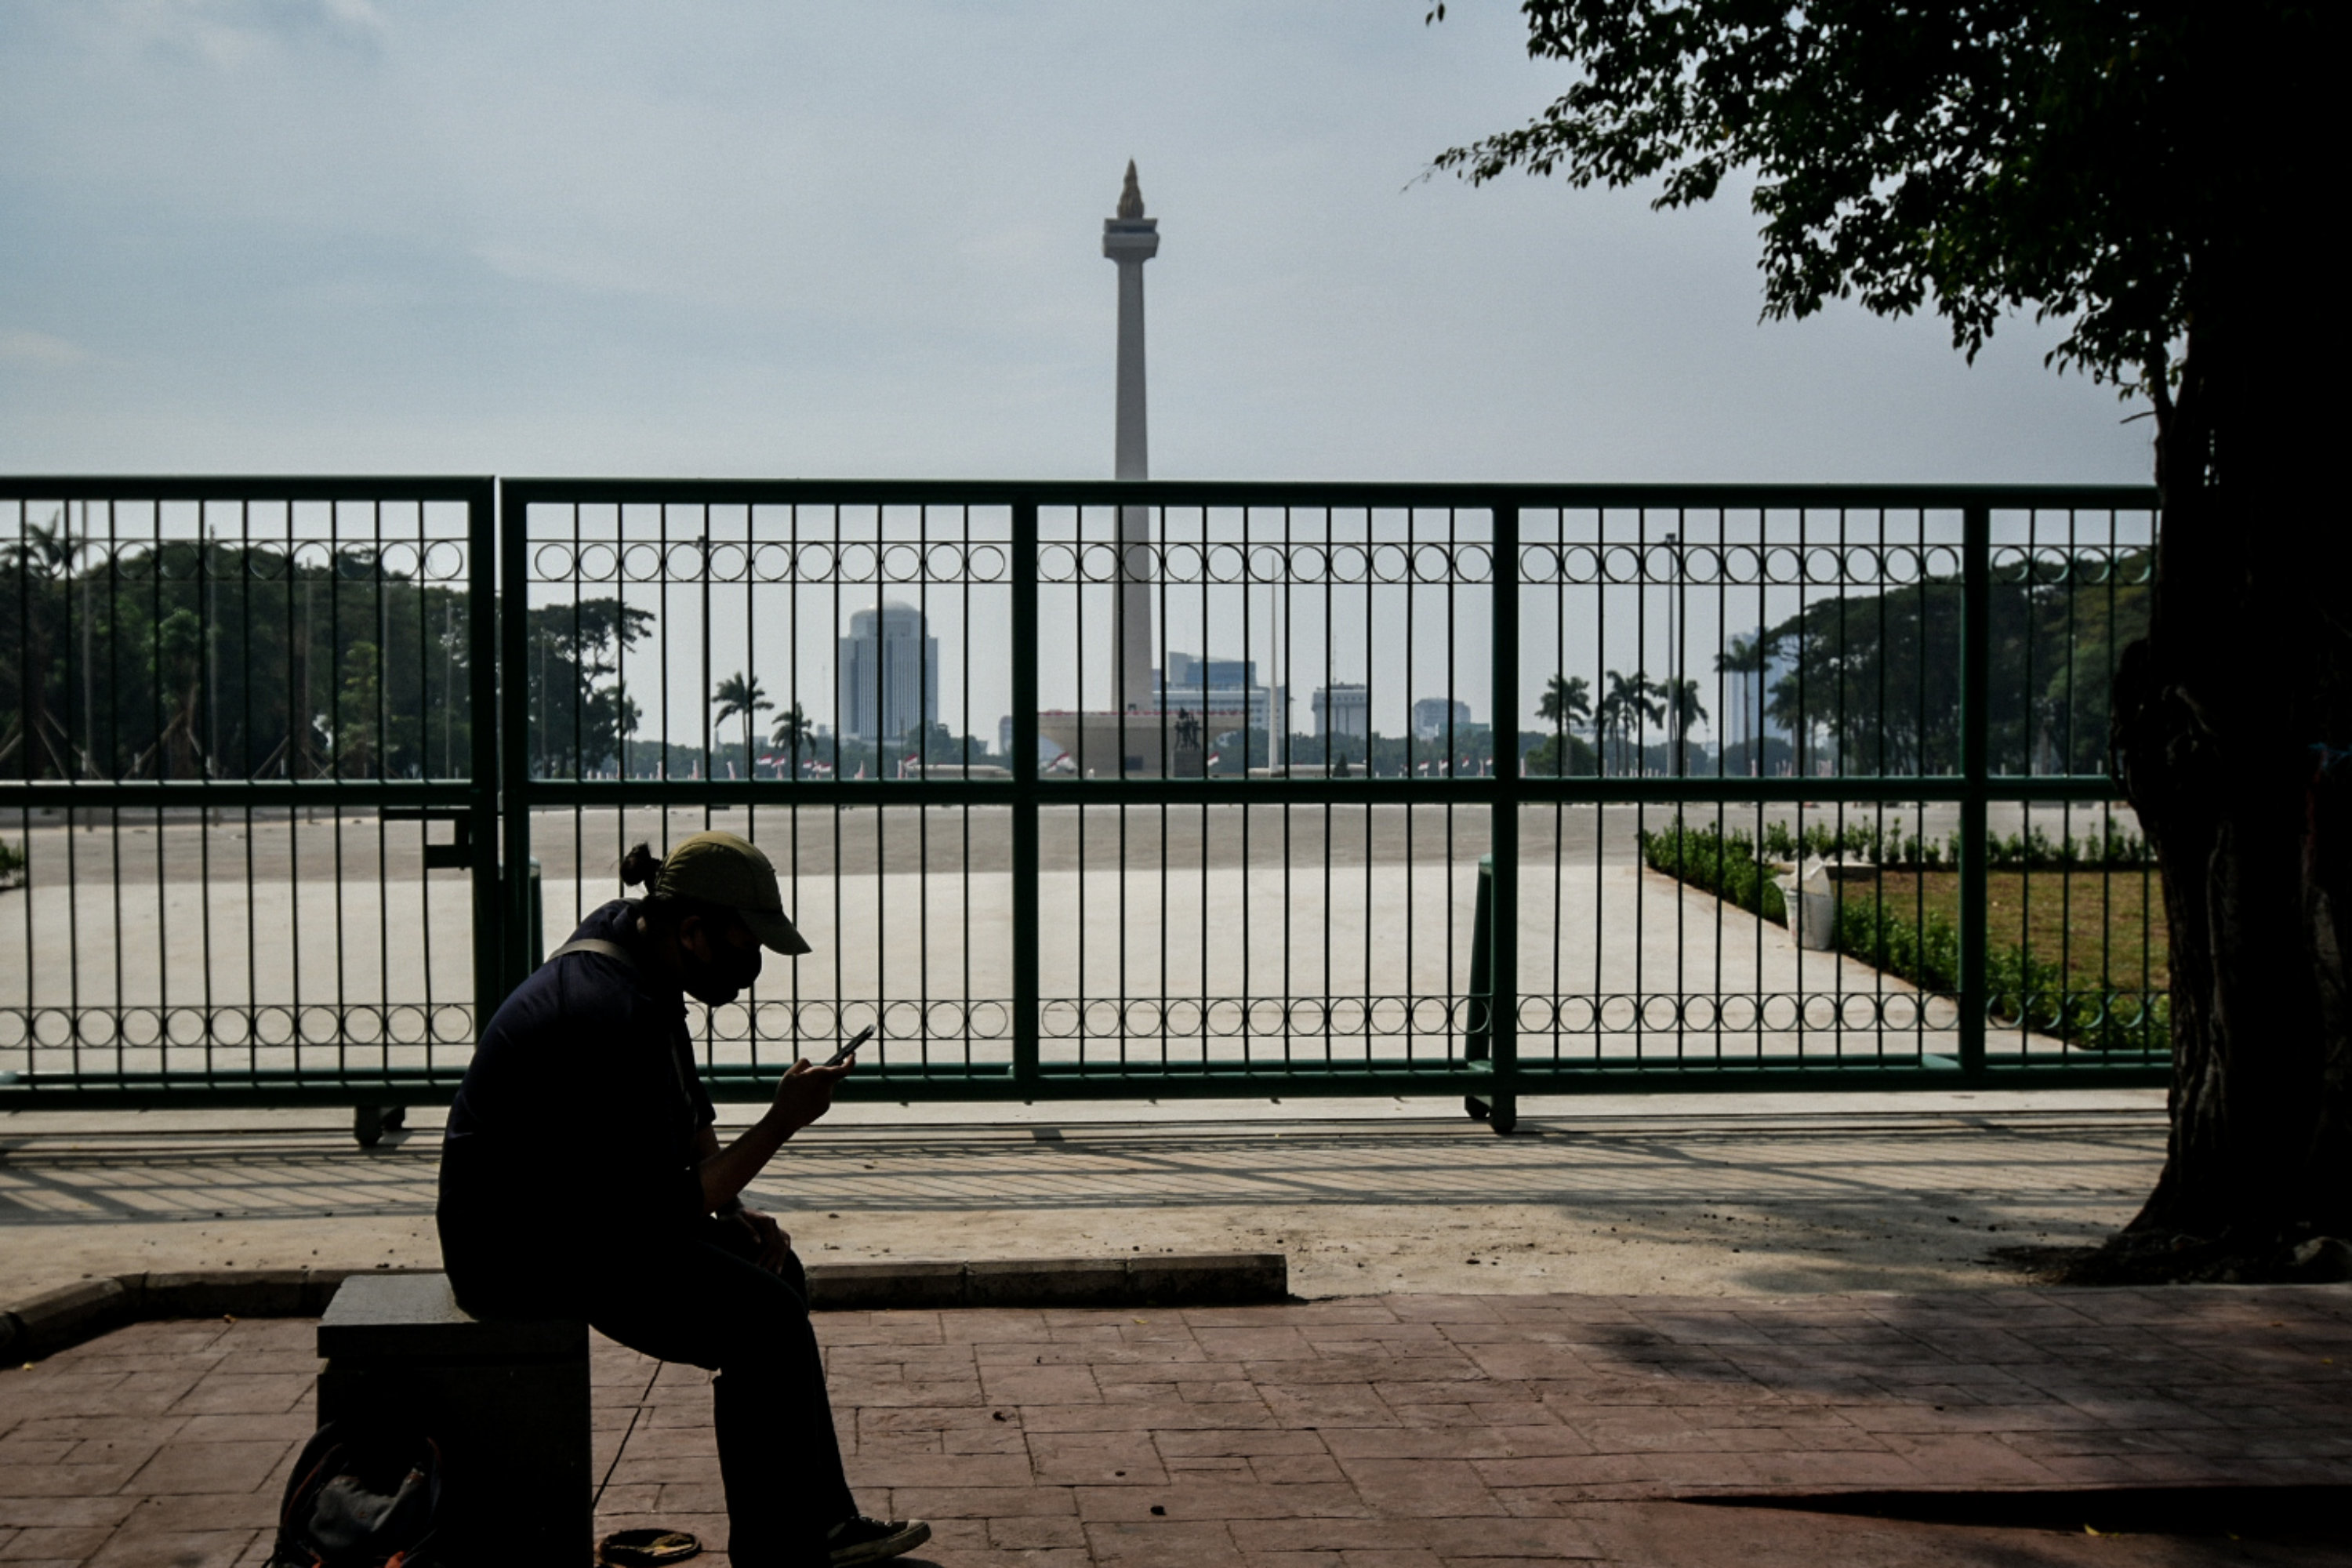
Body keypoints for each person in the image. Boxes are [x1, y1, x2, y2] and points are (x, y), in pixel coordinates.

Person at [436, 830, 927, 1568]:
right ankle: (788, 1545)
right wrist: (781, 1121)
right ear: (692, 932)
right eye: (743, 946)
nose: (753, 968)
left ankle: (808, 1526)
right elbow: (659, 1212)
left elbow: (687, 1115)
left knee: (772, 1280)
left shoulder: (634, 940)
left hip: (574, 1215)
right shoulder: (607, 1012)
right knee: (764, 1319)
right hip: (516, 1253)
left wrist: (732, 1213)